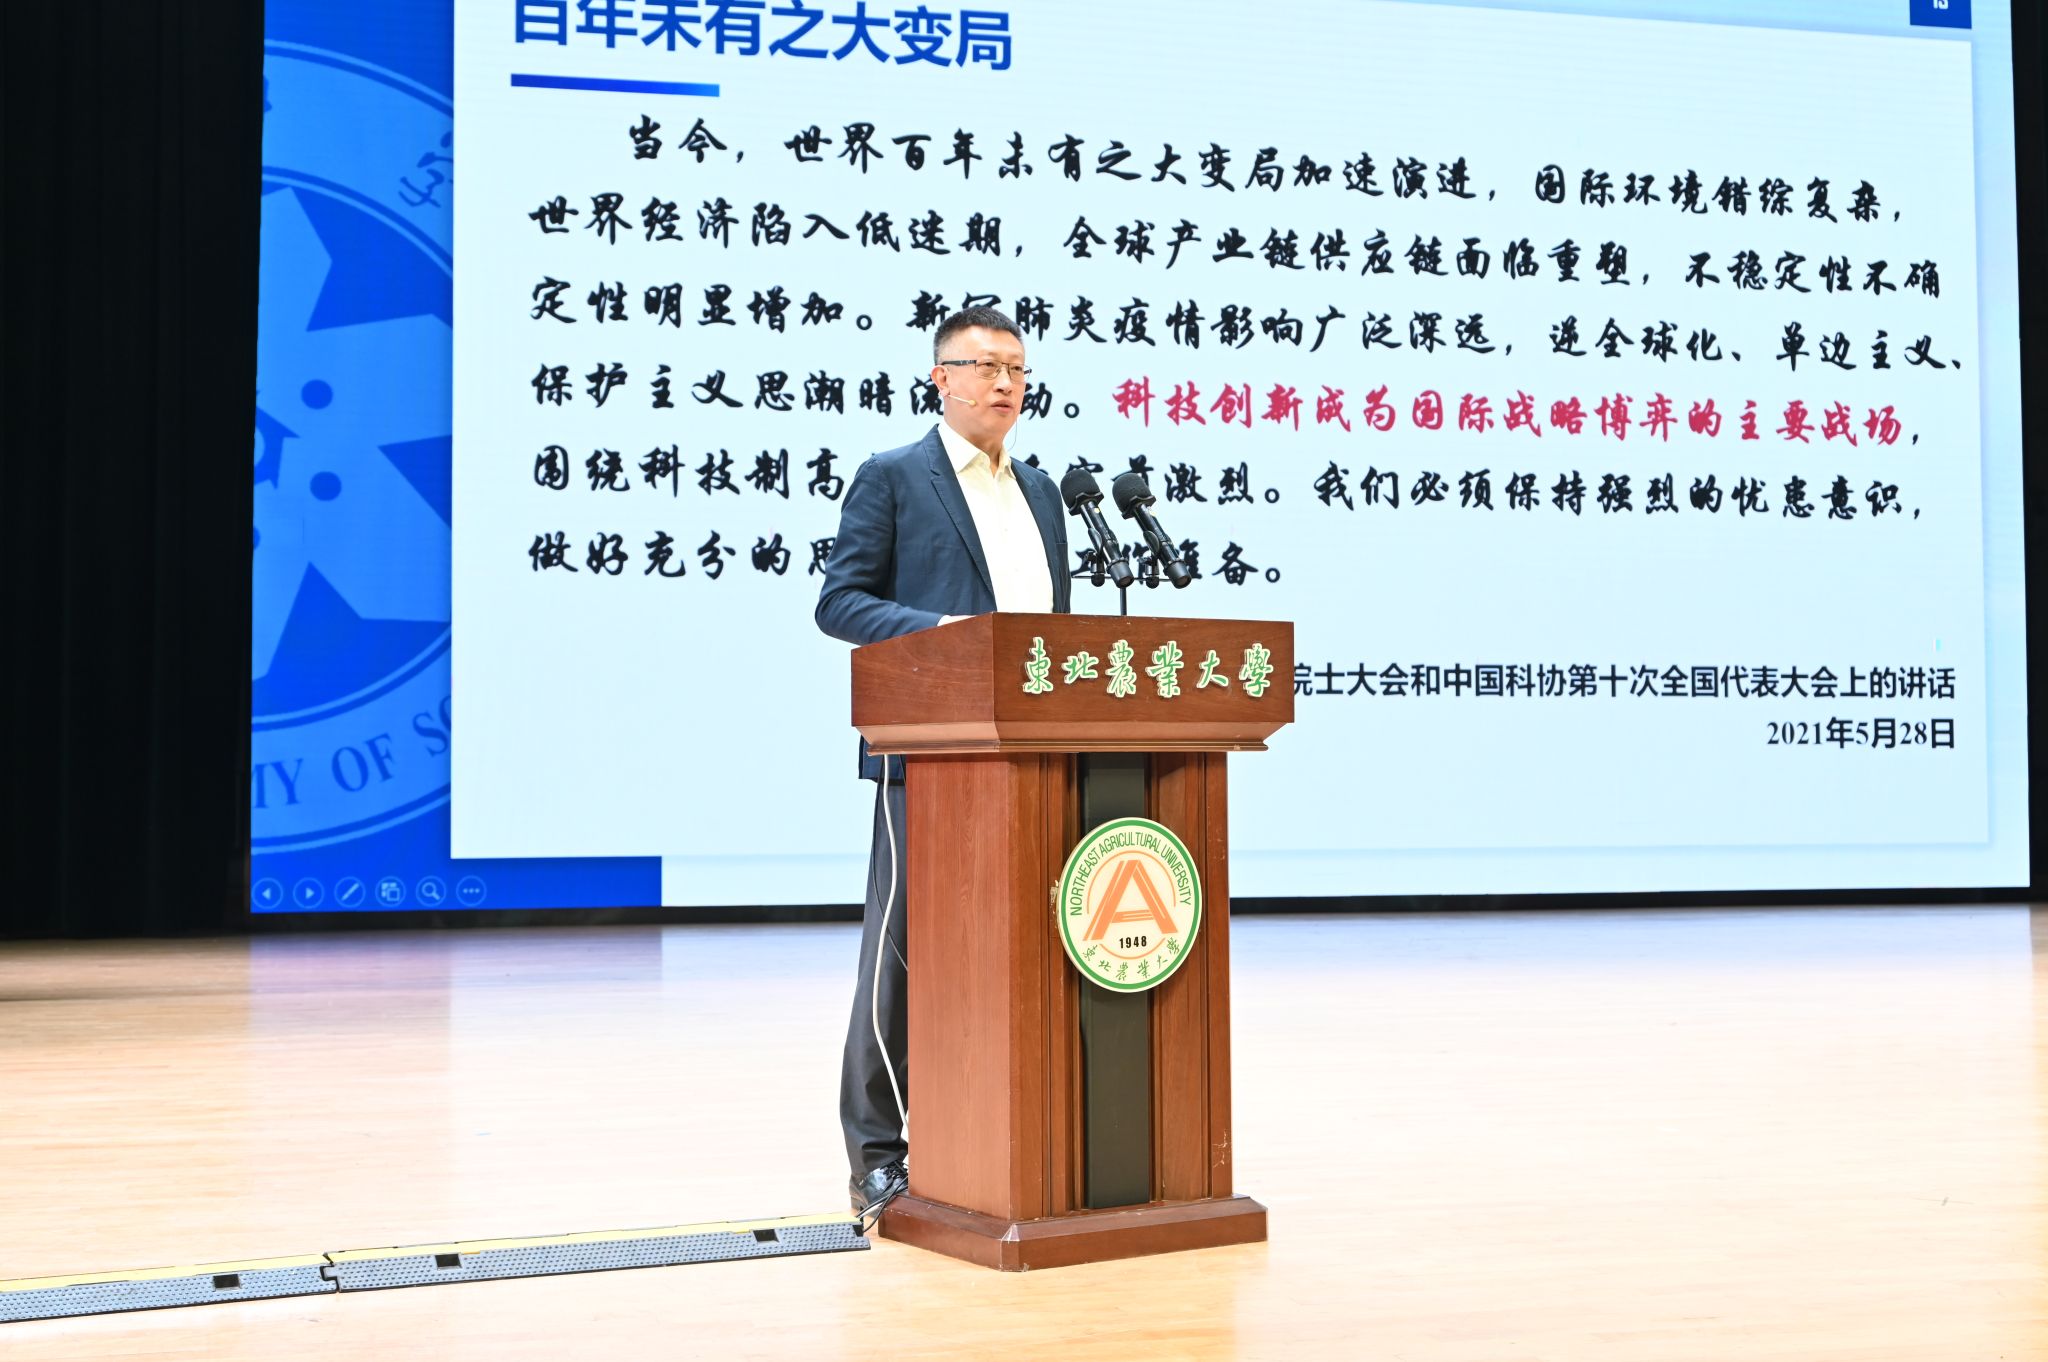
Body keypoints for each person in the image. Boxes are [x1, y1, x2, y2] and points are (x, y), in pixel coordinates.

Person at [814, 305, 1072, 1216]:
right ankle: (877, 1158)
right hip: (927, 760)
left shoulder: (1042, 492)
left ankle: (998, 1143)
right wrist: (948, 632)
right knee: (900, 961)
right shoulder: (894, 477)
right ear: (942, 378)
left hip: (1032, 761)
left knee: (1019, 955)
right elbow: (840, 603)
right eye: (986, 365)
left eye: (1018, 368)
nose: (1005, 383)